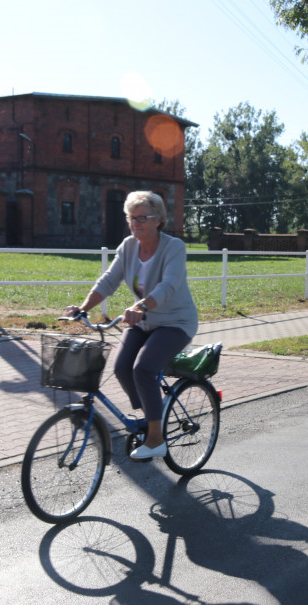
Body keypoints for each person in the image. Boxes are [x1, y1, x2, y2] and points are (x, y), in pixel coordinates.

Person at [65, 190, 198, 462]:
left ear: (158, 220)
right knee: (121, 367)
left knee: (144, 368)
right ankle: (152, 418)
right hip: (143, 320)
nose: (135, 224)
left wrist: (141, 306)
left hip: (176, 322)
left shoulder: (174, 247)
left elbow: (169, 285)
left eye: (142, 218)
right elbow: (108, 281)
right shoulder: (128, 246)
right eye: (130, 218)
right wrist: (82, 308)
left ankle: (156, 438)